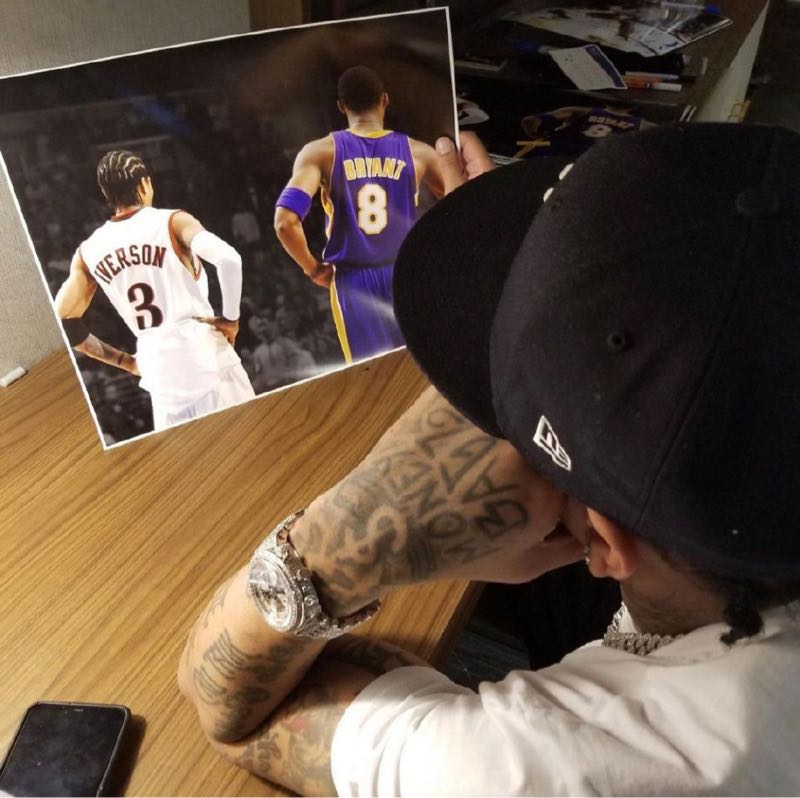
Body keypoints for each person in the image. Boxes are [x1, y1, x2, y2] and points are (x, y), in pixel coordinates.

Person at [179, 125, 800, 795]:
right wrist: (538, 304)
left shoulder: (535, 770)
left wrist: (346, 534)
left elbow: (231, 712)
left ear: (602, 543)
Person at [55, 150, 255, 433]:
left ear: (105, 193)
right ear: (145, 183)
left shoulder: (88, 251)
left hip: (158, 369)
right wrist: (231, 319)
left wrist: (124, 361)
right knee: (251, 444)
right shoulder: (172, 221)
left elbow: (64, 322)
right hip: (206, 355)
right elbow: (229, 259)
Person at [274, 65, 445, 364]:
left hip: (354, 284)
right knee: (427, 369)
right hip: (407, 273)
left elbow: (285, 223)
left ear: (341, 106)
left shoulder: (320, 152)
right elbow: (462, 203)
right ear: (385, 100)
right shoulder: (419, 153)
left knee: (376, 379)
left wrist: (313, 269)